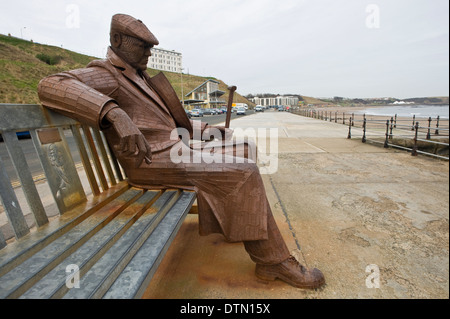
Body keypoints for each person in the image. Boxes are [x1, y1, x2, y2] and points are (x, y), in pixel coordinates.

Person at [38, 13, 325, 289]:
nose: (149, 52)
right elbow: (51, 84)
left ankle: (238, 224)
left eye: (151, 47)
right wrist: (113, 112)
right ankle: (272, 261)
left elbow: (171, 124)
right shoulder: (108, 75)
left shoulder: (138, 76)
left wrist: (209, 131)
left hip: (173, 149)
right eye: (143, 45)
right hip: (152, 160)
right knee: (244, 173)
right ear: (116, 39)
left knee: (245, 148)